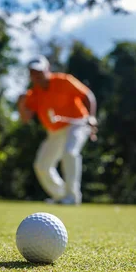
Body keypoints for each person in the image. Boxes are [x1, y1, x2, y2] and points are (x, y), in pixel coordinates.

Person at [17, 55, 98, 205]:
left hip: (77, 124)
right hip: (54, 132)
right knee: (41, 165)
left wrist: (92, 117)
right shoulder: (32, 94)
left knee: (70, 152)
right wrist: (21, 104)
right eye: (33, 73)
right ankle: (61, 195)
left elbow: (88, 95)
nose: (37, 75)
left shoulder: (64, 81)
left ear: (47, 69)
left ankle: (73, 197)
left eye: (39, 71)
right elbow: (25, 118)